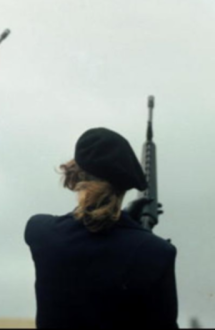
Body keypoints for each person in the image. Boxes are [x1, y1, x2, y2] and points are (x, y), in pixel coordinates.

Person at [25, 127, 178, 329]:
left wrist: (126, 222)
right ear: (125, 187)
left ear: (75, 175)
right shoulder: (157, 253)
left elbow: (91, 235)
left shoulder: (40, 232)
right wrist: (133, 227)